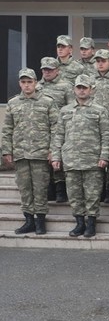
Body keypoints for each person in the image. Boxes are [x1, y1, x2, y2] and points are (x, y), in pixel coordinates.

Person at [51, 74, 109, 238]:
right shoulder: (65, 111)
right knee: (75, 195)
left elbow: (106, 135)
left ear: (91, 90)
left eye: (85, 87)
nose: (82, 90)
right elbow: (58, 136)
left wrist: (104, 156)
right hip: (71, 160)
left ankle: (91, 224)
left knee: (92, 195)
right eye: (79, 87)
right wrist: (56, 157)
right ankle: (79, 223)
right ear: (74, 90)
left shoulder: (100, 111)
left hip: (93, 161)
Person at [2, 68, 58, 235]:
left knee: (40, 188)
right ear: (20, 83)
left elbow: (56, 128)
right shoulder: (13, 103)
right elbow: (7, 129)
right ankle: (28, 221)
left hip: (40, 154)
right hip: (21, 153)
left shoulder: (47, 102)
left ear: (35, 83)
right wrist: (7, 150)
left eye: (29, 82)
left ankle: (40, 221)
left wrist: (52, 150)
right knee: (25, 188)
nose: (26, 85)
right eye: (23, 82)